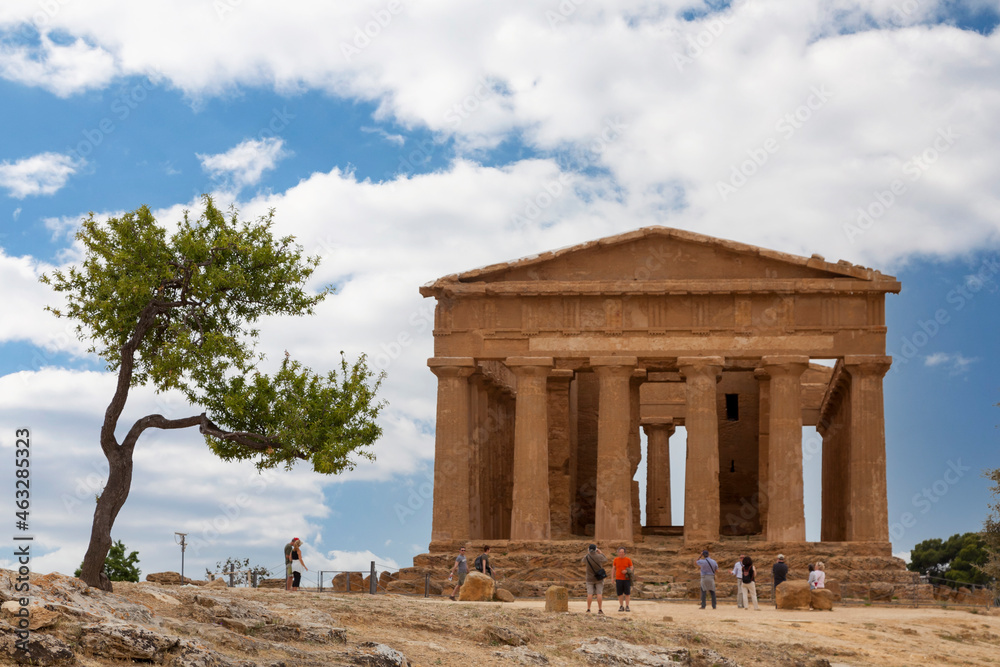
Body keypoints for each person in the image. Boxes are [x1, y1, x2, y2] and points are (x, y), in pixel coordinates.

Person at [581, 544, 608, 614]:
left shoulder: (587, 557)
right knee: (599, 593)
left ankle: (588, 609)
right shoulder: (599, 556)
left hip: (589, 579)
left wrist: (588, 553)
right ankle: (600, 609)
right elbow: (605, 559)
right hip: (599, 578)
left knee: (590, 594)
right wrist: (601, 553)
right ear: (596, 549)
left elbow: (582, 561)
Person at [612, 547, 634, 612]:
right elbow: (613, 569)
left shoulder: (628, 559)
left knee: (627, 593)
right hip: (618, 579)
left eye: (622, 552)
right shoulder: (615, 559)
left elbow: (632, 567)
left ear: (624, 553)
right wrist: (612, 578)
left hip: (626, 579)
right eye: (620, 552)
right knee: (620, 593)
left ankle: (627, 606)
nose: (621, 553)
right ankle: (621, 606)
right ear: (618, 553)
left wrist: (627, 571)